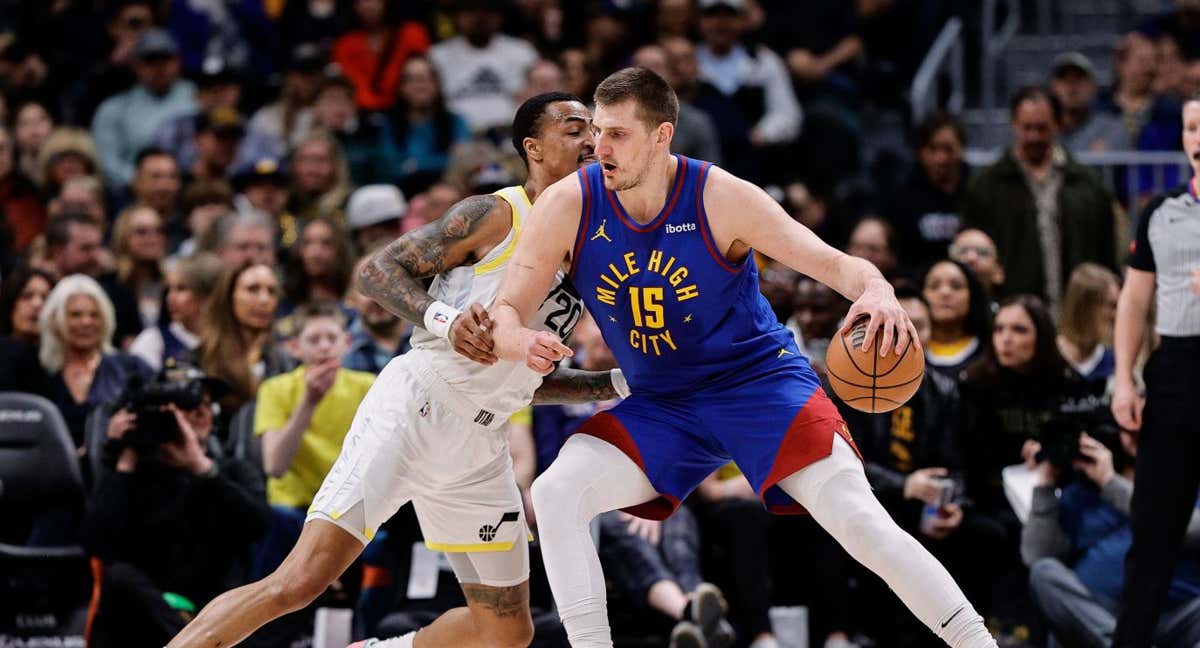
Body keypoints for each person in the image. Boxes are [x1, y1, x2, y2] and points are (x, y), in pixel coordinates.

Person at [488, 67, 995, 648]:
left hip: (757, 385)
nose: (598, 148)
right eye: (597, 131)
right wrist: (516, 339)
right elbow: (507, 309)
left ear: (662, 136)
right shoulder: (569, 203)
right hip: (663, 401)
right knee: (556, 492)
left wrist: (878, 290)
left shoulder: (719, 196)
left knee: (859, 520)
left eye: (618, 135)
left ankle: (978, 642)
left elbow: (833, 264)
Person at [165, 93, 626, 648]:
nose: (590, 141)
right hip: (416, 409)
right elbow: (377, 269)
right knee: (299, 582)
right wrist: (448, 320)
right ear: (533, 148)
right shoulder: (495, 214)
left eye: (594, 131)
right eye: (575, 129)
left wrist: (614, 384)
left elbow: (524, 382)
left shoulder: (592, 244)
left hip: (481, 446)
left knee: (505, 631)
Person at [82, 366, 270, 648]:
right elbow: (97, 543)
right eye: (188, 406)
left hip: (211, 602)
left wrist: (202, 468)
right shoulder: (133, 471)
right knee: (120, 577)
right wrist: (125, 459)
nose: (200, 413)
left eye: (207, 406)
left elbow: (258, 526)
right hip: (142, 610)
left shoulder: (232, 471)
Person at [1109, 94, 1200, 646]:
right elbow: (1133, 304)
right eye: (1192, 127)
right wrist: (1124, 379)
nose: (1199, 137)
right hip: (1176, 373)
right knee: (1153, 532)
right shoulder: (1161, 212)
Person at [1023, 429, 1200, 647]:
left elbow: (1187, 529)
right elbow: (1036, 555)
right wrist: (1045, 482)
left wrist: (1110, 482)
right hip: (1101, 615)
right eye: (1126, 431)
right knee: (1044, 572)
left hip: (1174, 613)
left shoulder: (1182, 475)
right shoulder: (1081, 492)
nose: (1135, 437)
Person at [962, 86, 1117, 308]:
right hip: (1010, 312)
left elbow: (1106, 254)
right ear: (1014, 124)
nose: (1034, 136)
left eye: (1042, 128)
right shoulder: (987, 184)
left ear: (1058, 124)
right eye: (1027, 128)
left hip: (1078, 312)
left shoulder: (1087, 183)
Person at [252, 302, 375, 576]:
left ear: (347, 343)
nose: (324, 347)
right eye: (314, 340)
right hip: (292, 510)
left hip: (349, 509)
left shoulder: (368, 386)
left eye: (332, 339)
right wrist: (308, 402)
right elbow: (275, 466)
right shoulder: (276, 389)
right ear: (295, 347)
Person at [38, 274, 154, 448]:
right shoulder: (39, 372)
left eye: (94, 315)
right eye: (75, 315)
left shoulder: (131, 368)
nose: (86, 322)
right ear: (56, 320)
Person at [91, 28, 196, 191]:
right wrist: (145, 181)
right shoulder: (114, 108)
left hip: (190, 186)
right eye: (151, 60)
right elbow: (107, 161)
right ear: (136, 65)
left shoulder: (197, 98)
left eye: (165, 59)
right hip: (131, 192)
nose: (159, 67)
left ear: (178, 62)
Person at [428, 0, 538, 135]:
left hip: (510, 137)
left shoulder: (523, 52)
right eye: (470, 10)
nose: (479, 17)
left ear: (500, 16)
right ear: (457, 16)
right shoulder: (437, 55)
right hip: (455, 139)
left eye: (488, 11)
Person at [195, 261, 291, 415]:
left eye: (271, 291)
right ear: (230, 296)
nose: (264, 300)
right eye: (252, 289)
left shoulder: (286, 362)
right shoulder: (201, 359)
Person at [887, 112, 968, 271]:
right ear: (921, 152)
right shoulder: (903, 197)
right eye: (932, 148)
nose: (940, 158)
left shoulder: (979, 190)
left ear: (962, 149)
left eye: (948, 149)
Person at [129, 253, 223, 372]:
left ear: (208, 296)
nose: (170, 298)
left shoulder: (231, 340)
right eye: (169, 289)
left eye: (181, 289)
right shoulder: (153, 341)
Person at [331, 0, 430, 112]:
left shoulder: (412, 33)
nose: (369, 5)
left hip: (410, 111)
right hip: (365, 113)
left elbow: (424, 78)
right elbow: (354, 85)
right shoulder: (345, 45)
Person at [921, 259, 992, 381]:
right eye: (934, 286)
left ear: (972, 295)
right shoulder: (905, 351)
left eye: (956, 286)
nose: (945, 292)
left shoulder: (992, 349)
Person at [1049, 52, 1130, 154]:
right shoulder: (1041, 130)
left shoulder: (1113, 129)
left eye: (1079, 78)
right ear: (1052, 87)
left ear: (1093, 87)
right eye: (1064, 78)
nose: (1072, 86)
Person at [1057, 263, 1120, 385]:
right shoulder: (1047, 359)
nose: (1116, 315)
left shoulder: (1116, 362)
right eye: (1112, 306)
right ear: (1086, 308)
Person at [0, 265, 54, 394]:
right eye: (26, 296)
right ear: (11, 303)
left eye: (45, 298)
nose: (37, 304)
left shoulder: (61, 359)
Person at [111, 205, 168, 328]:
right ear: (124, 238)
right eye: (141, 232)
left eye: (158, 231)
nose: (153, 238)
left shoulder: (172, 285)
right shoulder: (109, 286)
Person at [948, 229, 1005, 301]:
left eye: (982, 252)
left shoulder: (1009, 311)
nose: (971, 258)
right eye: (961, 251)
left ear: (999, 272)